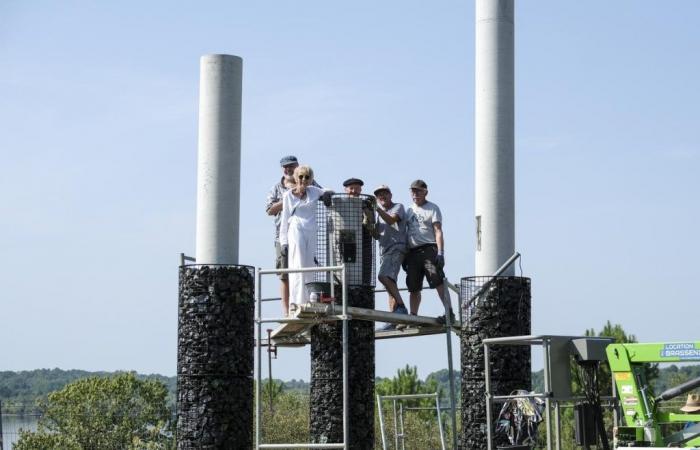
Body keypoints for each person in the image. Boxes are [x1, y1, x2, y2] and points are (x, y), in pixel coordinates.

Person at [279, 166, 331, 309]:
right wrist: (283, 242)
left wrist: (327, 194)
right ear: (296, 177)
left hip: (311, 229)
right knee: (298, 264)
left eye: (307, 177)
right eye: (301, 176)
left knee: (309, 264)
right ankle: (295, 302)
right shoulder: (288, 195)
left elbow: (327, 190)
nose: (303, 180)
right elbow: (284, 220)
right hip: (296, 228)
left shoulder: (313, 191)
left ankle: (309, 298)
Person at [404, 179, 453, 324]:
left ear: (425, 192)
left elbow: (438, 231)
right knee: (413, 285)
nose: (415, 194)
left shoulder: (432, 208)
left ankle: (449, 312)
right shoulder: (408, 210)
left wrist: (441, 253)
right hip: (412, 252)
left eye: (418, 191)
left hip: (428, 251)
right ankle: (413, 315)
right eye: (413, 191)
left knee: (437, 280)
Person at [265, 155, 299, 316]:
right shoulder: (276, 188)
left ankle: (299, 305)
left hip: (303, 235)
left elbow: (323, 194)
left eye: (291, 166)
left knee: (302, 271)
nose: (288, 169)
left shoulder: (307, 182)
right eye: (285, 167)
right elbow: (269, 210)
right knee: (284, 274)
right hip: (282, 236)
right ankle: (286, 312)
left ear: (297, 166)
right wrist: (288, 198)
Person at [373, 184, 409, 331]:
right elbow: (376, 235)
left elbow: (391, 220)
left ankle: (401, 308)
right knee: (389, 285)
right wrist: (368, 224)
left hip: (396, 248)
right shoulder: (378, 214)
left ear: (390, 195)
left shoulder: (398, 207)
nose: (382, 196)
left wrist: (377, 209)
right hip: (384, 250)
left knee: (383, 276)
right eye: (379, 194)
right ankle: (393, 319)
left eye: (384, 193)